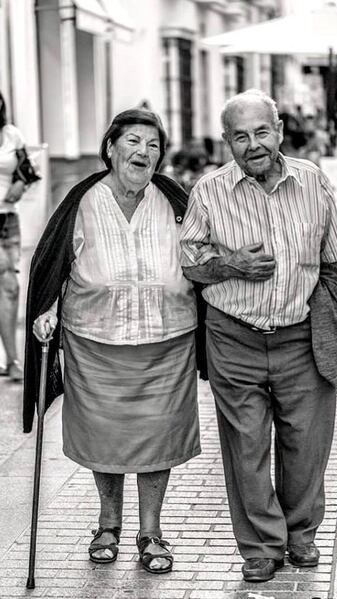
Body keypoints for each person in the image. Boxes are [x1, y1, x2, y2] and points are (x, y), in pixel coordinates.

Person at [180, 89, 337, 583]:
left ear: (279, 132)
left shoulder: (312, 180)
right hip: (233, 337)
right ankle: (261, 545)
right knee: (246, 446)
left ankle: (301, 535)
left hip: (301, 335)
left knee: (307, 443)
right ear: (226, 142)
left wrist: (335, 331)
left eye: (261, 131)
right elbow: (189, 263)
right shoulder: (208, 191)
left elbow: (331, 258)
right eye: (240, 136)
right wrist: (229, 264)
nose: (253, 143)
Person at [24, 108, 201, 572]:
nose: (144, 152)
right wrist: (47, 311)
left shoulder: (175, 201)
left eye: (154, 145)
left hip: (167, 339)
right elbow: (54, 265)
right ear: (110, 147)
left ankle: (151, 532)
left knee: (158, 438)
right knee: (105, 438)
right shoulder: (81, 202)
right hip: (95, 340)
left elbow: (202, 258)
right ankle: (108, 524)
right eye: (134, 142)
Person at [0, 92, 28, 382]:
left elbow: (26, 170)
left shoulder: (11, 134)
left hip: (8, 218)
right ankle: (10, 360)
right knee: (6, 279)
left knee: (9, 287)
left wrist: (19, 184)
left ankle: (11, 359)